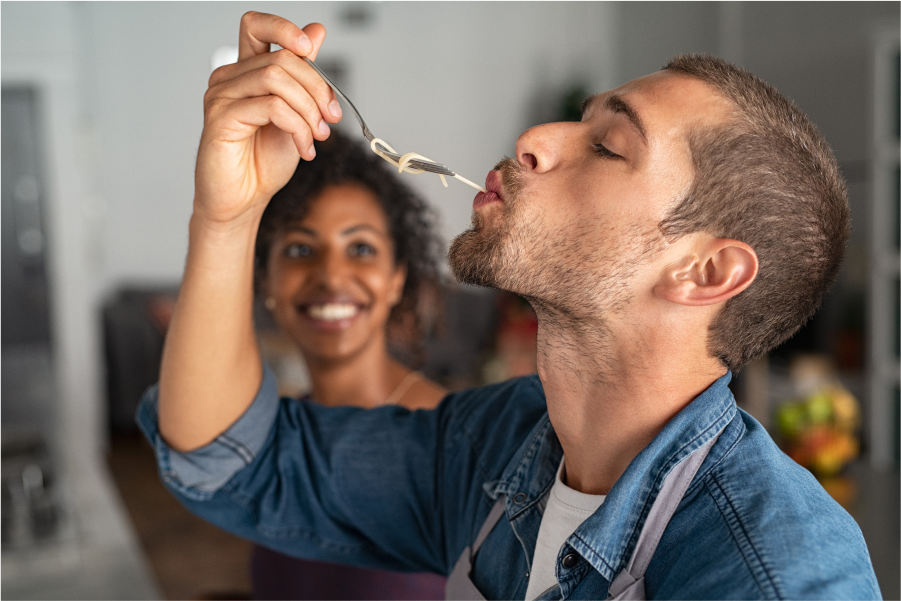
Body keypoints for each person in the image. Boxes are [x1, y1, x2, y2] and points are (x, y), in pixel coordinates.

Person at [139, 11, 881, 601]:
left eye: (608, 147)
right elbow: (232, 462)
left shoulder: (770, 571)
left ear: (704, 270)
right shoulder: (496, 446)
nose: (532, 140)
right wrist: (227, 215)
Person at [247, 131, 447, 599]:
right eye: (300, 249)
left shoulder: (452, 438)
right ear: (266, 280)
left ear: (397, 279)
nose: (332, 276)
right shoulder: (273, 435)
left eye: (360, 249)